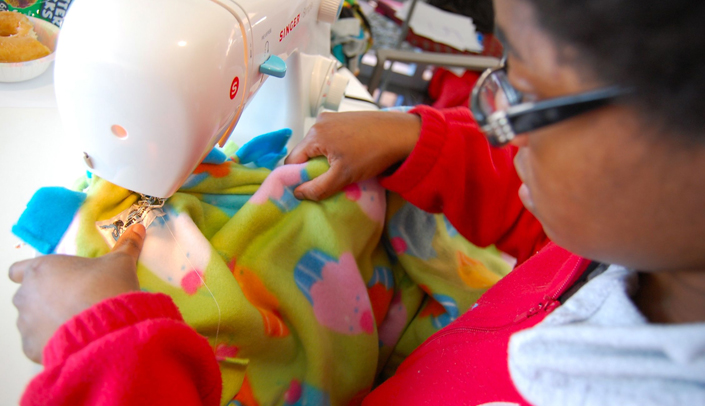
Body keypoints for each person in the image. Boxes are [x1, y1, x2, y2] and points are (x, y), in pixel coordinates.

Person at [10, 0, 705, 404]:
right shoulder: (643, 252)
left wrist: (106, 354)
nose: (492, 114)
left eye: (522, 93)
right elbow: (554, 226)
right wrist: (422, 145)